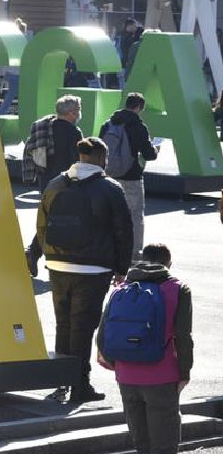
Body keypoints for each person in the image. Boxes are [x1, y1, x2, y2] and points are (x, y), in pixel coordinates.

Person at [37, 137, 133, 404]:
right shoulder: (110, 188)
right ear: (102, 158)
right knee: (83, 327)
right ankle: (80, 386)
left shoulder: (56, 184)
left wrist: (45, 254)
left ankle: (60, 384)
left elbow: (41, 223)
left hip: (57, 265)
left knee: (63, 325)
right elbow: (123, 230)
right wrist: (121, 267)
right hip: (93, 267)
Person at [97, 243, 193, 454]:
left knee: (142, 445)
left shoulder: (121, 289)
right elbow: (183, 337)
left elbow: (102, 335)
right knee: (164, 446)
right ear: (169, 264)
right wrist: (184, 372)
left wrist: (120, 365)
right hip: (162, 376)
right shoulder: (178, 289)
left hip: (126, 377)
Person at [23, 95, 83, 276]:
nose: (79, 114)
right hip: (66, 184)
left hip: (46, 182)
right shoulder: (73, 133)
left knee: (50, 219)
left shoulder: (45, 127)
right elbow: (76, 161)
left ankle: (36, 254)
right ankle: (40, 254)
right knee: (60, 223)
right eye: (78, 110)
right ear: (72, 113)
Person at [99, 93, 157, 259]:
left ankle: (108, 248)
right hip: (131, 177)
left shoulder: (108, 124)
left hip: (109, 175)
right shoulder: (138, 126)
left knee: (109, 212)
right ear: (138, 107)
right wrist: (155, 149)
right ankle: (133, 252)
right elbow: (149, 155)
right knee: (135, 215)